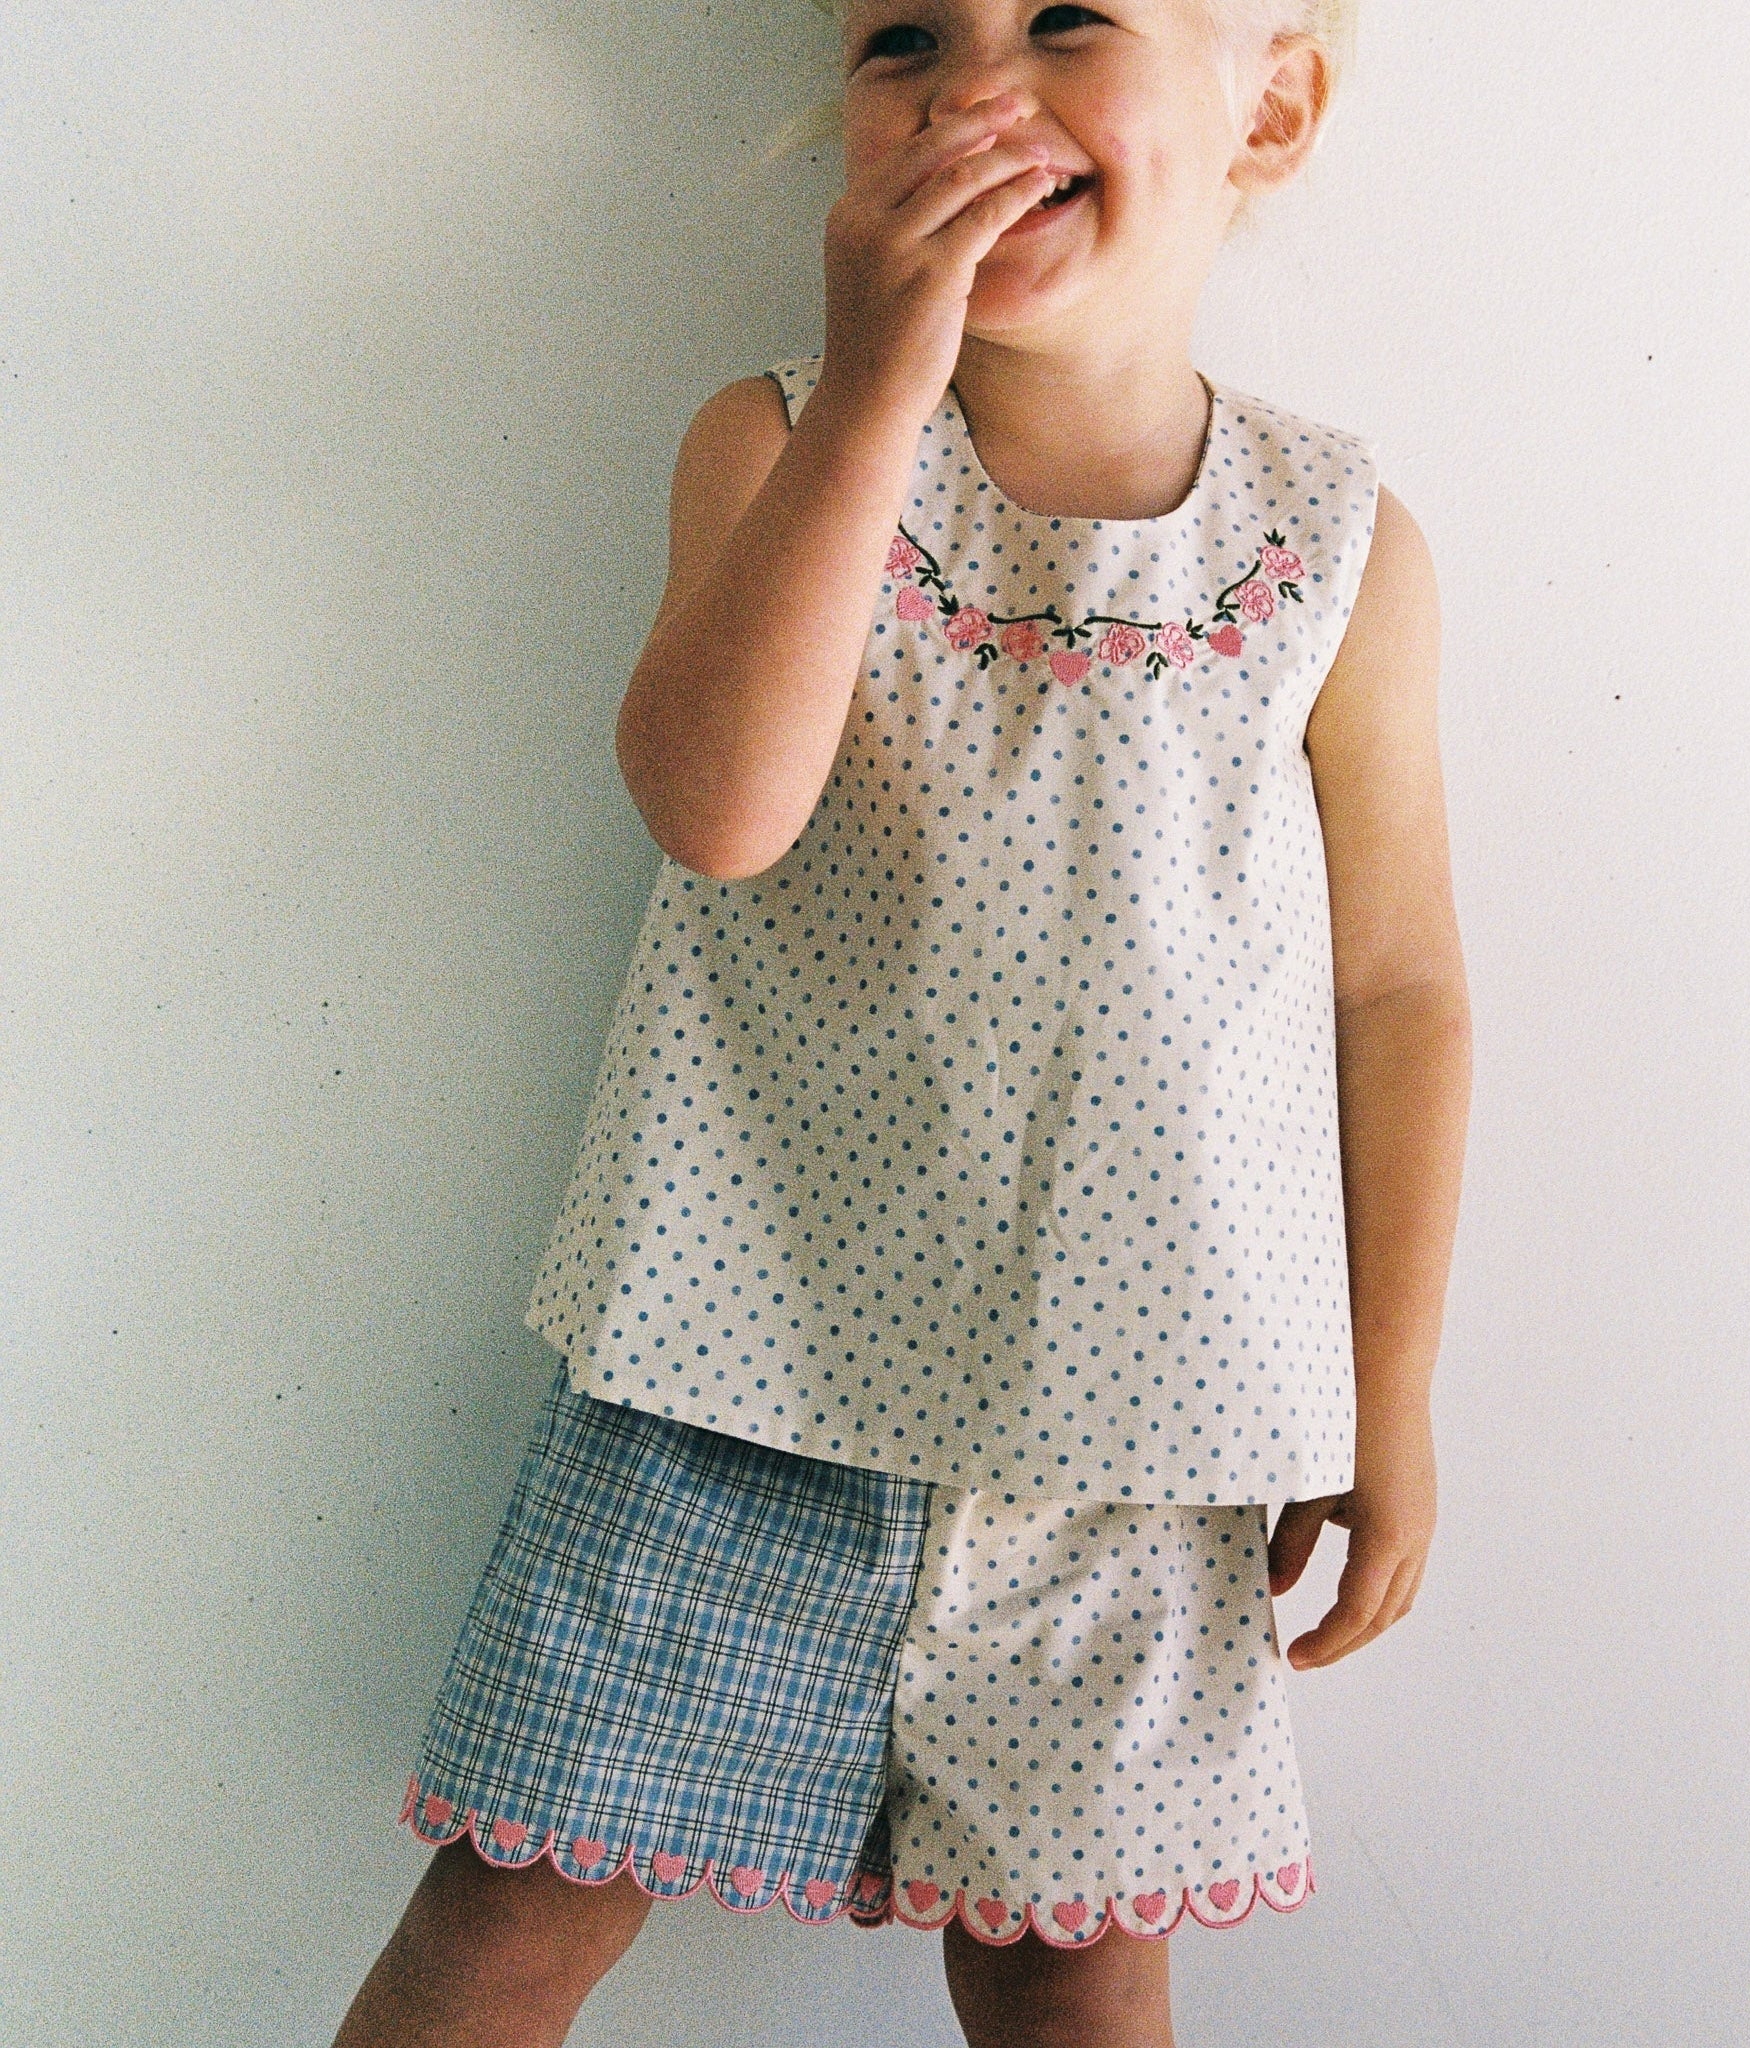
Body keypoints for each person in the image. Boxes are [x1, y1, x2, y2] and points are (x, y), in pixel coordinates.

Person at [333, 0, 1470, 2042]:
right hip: (737, 1380)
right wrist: (877, 395)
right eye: (898, 41)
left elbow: (1396, 989)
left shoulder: (1335, 550)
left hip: (1141, 1439)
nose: (969, 88)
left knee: (1076, 1988)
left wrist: (1383, 1400)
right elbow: (715, 809)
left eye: (1062, 20)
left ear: (1268, 105)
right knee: (507, 1923)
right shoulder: (778, 439)